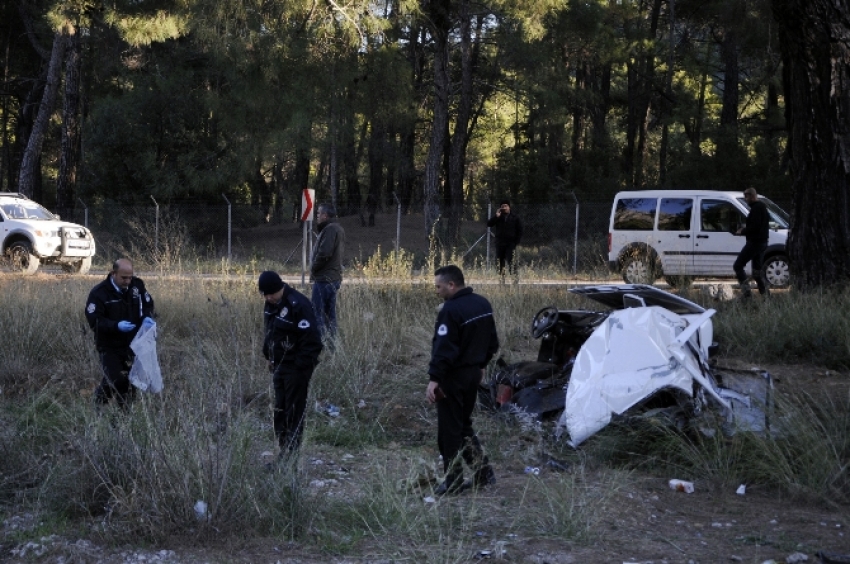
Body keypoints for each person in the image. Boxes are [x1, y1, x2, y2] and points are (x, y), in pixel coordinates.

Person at [426, 265, 499, 495]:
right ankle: (483, 473)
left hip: (453, 377)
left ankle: (453, 480)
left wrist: (434, 378)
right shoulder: (482, 304)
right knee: (464, 426)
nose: (436, 291)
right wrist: (482, 365)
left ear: (451, 285)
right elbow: (492, 342)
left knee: (449, 430)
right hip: (473, 375)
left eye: (438, 286)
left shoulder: (450, 310)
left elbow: (444, 349)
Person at [259, 271, 323, 457]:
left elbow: (313, 342)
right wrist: (269, 356)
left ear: (280, 288)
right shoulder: (271, 304)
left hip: (296, 368)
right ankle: (283, 452)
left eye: (271, 293)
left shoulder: (299, 305)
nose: (268, 297)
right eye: (264, 294)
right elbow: (271, 332)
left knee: (293, 412)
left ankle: (292, 459)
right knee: (280, 410)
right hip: (278, 366)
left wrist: (299, 367)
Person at [84, 258, 155, 409]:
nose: (128, 281)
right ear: (113, 274)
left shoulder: (137, 285)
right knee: (116, 378)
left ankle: (122, 419)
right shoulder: (99, 293)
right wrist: (116, 326)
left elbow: (148, 304)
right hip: (109, 345)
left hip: (134, 343)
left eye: (130, 277)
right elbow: (94, 320)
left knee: (132, 382)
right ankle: (98, 404)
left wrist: (147, 318)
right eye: (124, 277)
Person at [310, 203, 346, 338]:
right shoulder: (337, 228)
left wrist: (313, 268)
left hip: (324, 278)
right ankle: (331, 343)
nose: (317, 216)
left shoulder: (330, 229)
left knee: (317, 313)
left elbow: (324, 253)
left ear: (325, 215)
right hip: (332, 277)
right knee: (329, 315)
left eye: (318, 214)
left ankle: (320, 343)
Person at [734, 188, 770, 297]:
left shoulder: (756, 208)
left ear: (753, 196)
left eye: (747, 197)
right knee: (756, 272)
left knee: (738, 266)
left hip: (755, 242)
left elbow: (755, 227)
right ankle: (766, 296)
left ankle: (747, 294)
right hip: (761, 242)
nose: (746, 199)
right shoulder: (762, 208)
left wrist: (743, 231)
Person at [486, 200, 523, 277]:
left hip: (510, 243)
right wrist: (496, 217)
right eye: (502, 206)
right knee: (500, 262)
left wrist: (516, 242)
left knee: (511, 261)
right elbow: (489, 224)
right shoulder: (498, 217)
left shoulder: (515, 217)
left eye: (506, 206)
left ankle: (514, 279)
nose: (504, 208)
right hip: (500, 243)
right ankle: (501, 279)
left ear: (509, 207)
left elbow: (520, 230)